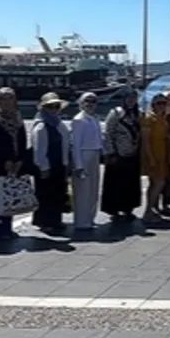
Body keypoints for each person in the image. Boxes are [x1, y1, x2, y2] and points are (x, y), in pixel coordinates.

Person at [0, 87, 29, 241]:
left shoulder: (17, 116)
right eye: (2, 98)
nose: (6, 102)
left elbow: (22, 139)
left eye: (10, 98)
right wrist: (4, 160)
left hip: (15, 162)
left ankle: (7, 228)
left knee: (10, 195)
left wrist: (20, 159)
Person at [30, 92, 72, 234]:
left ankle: (55, 220)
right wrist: (44, 167)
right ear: (44, 108)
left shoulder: (59, 123)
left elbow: (66, 144)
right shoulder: (41, 126)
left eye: (56, 106)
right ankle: (44, 222)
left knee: (58, 193)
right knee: (45, 194)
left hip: (59, 164)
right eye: (50, 106)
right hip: (47, 166)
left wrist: (66, 164)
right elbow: (39, 150)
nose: (54, 109)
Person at [101, 88, 143, 221]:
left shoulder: (138, 114)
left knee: (131, 184)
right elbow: (108, 133)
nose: (131, 100)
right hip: (118, 154)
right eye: (129, 97)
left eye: (134, 98)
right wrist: (110, 152)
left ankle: (128, 208)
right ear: (124, 99)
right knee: (115, 183)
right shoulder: (115, 113)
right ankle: (114, 209)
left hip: (133, 154)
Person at [70, 92, 104, 230]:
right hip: (83, 154)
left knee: (93, 189)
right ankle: (81, 221)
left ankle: (90, 218)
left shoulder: (94, 118)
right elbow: (76, 144)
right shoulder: (78, 120)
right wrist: (78, 165)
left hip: (94, 154)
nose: (90, 104)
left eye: (93, 101)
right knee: (82, 190)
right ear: (81, 103)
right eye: (87, 101)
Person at [140, 94, 170, 221]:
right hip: (153, 153)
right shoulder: (149, 118)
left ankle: (152, 209)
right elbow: (145, 140)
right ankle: (148, 211)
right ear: (153, 105)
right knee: (159, 182)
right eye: (159, 103)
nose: (162, 106)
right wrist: (150, 157)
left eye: (164, 103)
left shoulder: (163, 118)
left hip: (162, 152)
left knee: (155, 183)